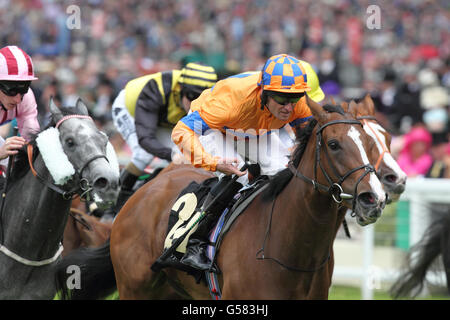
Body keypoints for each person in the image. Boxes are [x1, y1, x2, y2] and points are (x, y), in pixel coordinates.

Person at [171, 53, 324, 271]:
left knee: (284, 173)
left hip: (255, 129)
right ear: (264, 92)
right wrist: (213, 163)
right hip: (217, 128)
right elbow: (181, 130)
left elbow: (307, 138)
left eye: (295, 98)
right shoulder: (231, 102)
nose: (289, 108)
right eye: (281, 99)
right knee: (236, 177)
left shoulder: (295, 103)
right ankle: (196, 242)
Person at [110, 62, 218, 215]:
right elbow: (145, 139)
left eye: (202, 98)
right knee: (144, 154)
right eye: (192, 97)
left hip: (163, 118)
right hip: (131, 110)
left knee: (185, 157)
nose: (195, 104)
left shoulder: (196, 97)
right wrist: (171, 154)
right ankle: (115, 201)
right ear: (180, 88)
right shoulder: (157, 89)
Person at [0, 45, 40, 172]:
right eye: (12, 90)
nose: (18, 100)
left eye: (23, 89)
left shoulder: (27, 98)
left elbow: (31, 140)